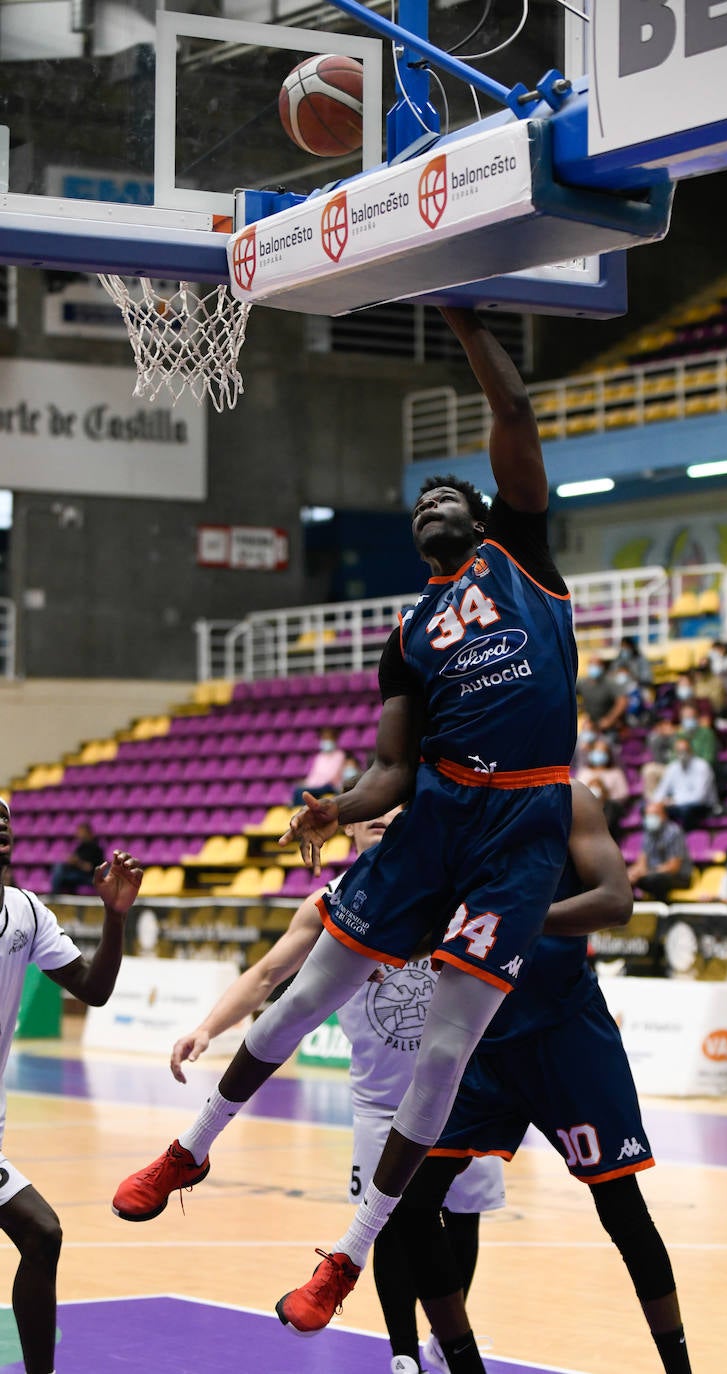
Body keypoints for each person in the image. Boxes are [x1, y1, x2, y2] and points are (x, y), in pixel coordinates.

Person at [110, 305, 578, 1336]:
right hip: (440, 809)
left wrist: (456, 312)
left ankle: (345, 1258)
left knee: (446, 1056)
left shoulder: (526, 559)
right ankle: (190, 1147)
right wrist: (336, 807)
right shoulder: (405, 631)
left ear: (486, 515)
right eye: (418, 502)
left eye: (448, 492)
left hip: (522, 826)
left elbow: (510, 406)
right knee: (299, 998)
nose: (431, 503)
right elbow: (387, 772)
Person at [161, 802, 504, 1374]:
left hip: (461, 1092)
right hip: (380, 1102)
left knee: (462, 1216)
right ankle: (403, 1355)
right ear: (347, 823)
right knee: (386, 1225)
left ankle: (447, 1342)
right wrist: (207, 1029)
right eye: (373, 809)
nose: (385, 816)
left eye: (399, 809)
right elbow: (268, 976)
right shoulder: (331, 904)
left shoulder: (451, 884)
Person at [387, 782, 693, 1374]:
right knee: (413, 1201)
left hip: (565, 1030)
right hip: (483, 1033)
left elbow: (616, 900)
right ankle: (461, 1365)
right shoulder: (445, 810)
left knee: (621, 1206)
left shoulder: (569, 800)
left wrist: (523, 919)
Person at [0, 796, 142, 1374]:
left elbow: (93, 989)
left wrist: (114, 917)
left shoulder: (26, 912)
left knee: (42, 1235)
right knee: (41, 1230)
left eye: (5, 815)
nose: (0, 822)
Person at [626, 801, 692, 902]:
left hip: (679, 877)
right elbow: (641, 862)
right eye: (648, 815)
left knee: (655, 880)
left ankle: (662, 913)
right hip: (653, 874)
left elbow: (673, 867)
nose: (651, 818)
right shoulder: (648, 833)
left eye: (655, 814)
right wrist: (633, 872)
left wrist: (647, 872)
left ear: (664, 815)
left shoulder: (674, 832)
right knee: (626, 878)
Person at [653, 736, 717, 831]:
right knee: (652, 810)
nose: (682, 754)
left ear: (691, 751)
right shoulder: (672, 767)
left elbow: (699, 797)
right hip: (677, 806)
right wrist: (660, 802)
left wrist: (674, 801)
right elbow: (660, 792)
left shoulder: (702, 766)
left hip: (702, 806)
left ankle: (688, 838)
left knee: (686, 810)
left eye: (684, 750)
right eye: (679, 751)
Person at [574, 738, 629, 838]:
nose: (599, 754)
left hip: (608, 807)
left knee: (611, 807)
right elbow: (577, 791)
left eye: (602, 752)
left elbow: (623, 794)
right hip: (587, 805)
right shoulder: (584, 772)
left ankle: (603, 833)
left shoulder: (616, 772)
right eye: (597, 751)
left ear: (608, 755)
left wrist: (605, 795)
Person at [291, 725, 348, 805]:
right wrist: (306, 783)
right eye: (324, 738)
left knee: (302, 792)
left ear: (334, 739)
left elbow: (333, 776)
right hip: (317, 786)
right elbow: (314, 774)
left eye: (328, 738)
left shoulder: (339, 755)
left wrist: (313, 785)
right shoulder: (320, 756)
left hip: (330, 786)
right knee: (298, 789)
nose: (326, 741)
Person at [49, 821, 104, 896]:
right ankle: (56, 895)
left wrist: (77, 862)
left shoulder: (95, 848)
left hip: (90, 877)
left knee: (59, 868)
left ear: (87, 832)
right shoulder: (81, 847)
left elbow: (89, 868)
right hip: (78, 874)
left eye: (81, 832)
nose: (78, 834)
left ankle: (55, 895)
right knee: (59, 867)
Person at [576, 656, 626, 733]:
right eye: (591, 664)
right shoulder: (583, 683)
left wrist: (610, 719)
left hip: (610, 727)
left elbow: (622, 701)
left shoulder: (609, 682)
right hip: (591, 724)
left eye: (596, 664)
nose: (593, 667)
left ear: (602, 666)